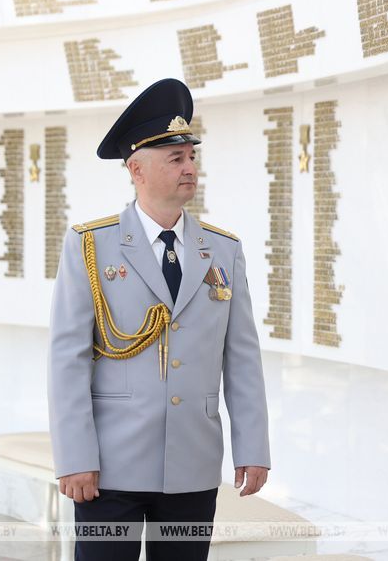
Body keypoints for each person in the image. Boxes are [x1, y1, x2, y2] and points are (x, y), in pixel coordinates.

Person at [47, 78, 271, 560]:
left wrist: (252, 447)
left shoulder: (224, 250)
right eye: (175, 158)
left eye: (191, 157)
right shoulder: (91, 245)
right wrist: (74, 456)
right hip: (109, 468)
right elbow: (68, 359)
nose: (190, 167)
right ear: (137, 169)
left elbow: (242, 358)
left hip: (193, 464)